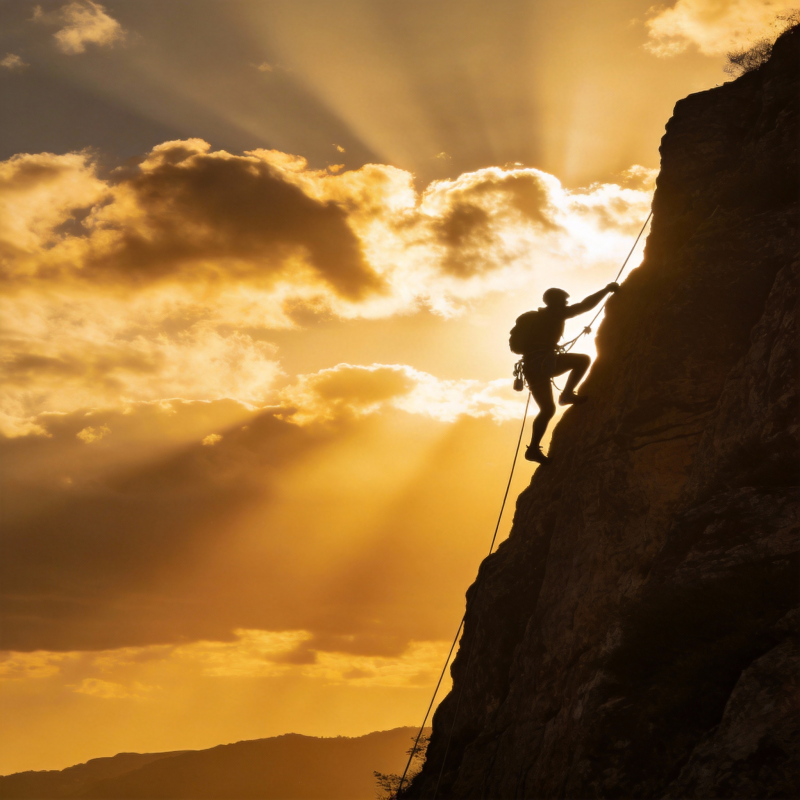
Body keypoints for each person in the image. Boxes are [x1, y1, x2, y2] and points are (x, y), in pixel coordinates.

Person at [518, 282, 619, 465]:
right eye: (564, 301)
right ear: (556, 302)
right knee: (582, 360)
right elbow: (585, 305)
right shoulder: (555, 314)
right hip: (543, 363)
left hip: (532, 367)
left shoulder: (541, 317)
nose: (566, 304)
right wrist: (606, 289)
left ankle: (533, 448)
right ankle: (566, 394)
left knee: (547, 409)